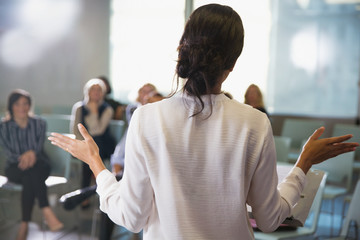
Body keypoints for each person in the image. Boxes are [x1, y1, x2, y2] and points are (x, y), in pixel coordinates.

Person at [49, 4, 359, 240]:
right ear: (233, 63)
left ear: (182, 48)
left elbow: (132, 217)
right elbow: (268, 220)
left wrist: (97, 165)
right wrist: (303, 164)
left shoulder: (147, 118)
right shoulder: (254, 123)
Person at [98, 86, 163, 240]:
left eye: (151, 94)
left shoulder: (163, 129)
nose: (147, 97)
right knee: (109, 194)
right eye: (144, 94)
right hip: (127, 173)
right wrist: (117, 167)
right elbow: (121, 150)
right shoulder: (136, 122)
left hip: (151, 177)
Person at [0, 89, 63, 240]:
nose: (22, 107)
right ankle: (46, 209)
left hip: (39, 163)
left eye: (25, 104)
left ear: (29, 106)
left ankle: (24, 225)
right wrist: (24, 156)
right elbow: (8, 151)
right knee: (30, 175)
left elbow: (38, 147)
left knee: (32, 173)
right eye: (17, 104)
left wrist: (31, 154)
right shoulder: (3, 126)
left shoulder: (39, 123)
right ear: (11, 106)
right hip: (15, 166)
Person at [70, 78, 116, 209]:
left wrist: (93, 112)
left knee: (90, 154)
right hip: (84, 144)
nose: (96, 92)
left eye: (99, 90)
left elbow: (97, 130)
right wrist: (83, 144)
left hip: (103, 144)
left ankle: (85, 193)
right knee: (88, 153)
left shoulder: (107, 109)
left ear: (103, 93)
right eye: (93, 89)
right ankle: (89, 191)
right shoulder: (79, 107)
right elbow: (75, 129)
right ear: (87, 92)